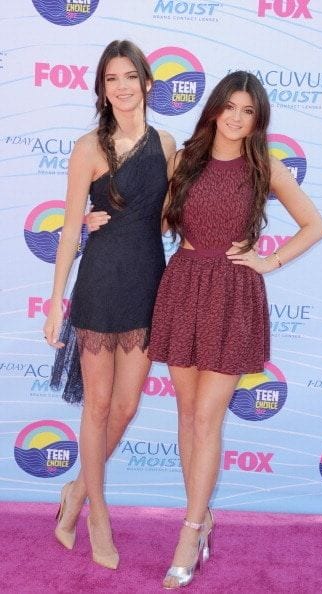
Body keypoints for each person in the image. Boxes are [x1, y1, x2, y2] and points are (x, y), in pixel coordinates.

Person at [146, 71, 322, 589]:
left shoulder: (264, 167)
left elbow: (314, 226)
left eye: (248, 111)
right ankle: (201, 516)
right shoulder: (186, 159)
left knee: (206, 418)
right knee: (185, 414)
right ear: (215, 108)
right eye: (230, 106)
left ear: (257, 119)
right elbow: (159, 222)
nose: (236, 117)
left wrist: (269, 261)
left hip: (234, 294)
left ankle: (189, 529)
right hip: (182, 286)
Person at [43, 39, 175, 570]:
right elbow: (70, 229)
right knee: (96, 407)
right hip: (98, 282)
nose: (120, 87)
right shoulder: (88, 147)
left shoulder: (167, 144)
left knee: (125, 406)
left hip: (147, 281)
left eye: (129, 77)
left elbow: (165, 218)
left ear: (148, 83)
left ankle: (75, 491)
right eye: (110, 79)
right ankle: (98, 514)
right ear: (102, 88)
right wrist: (56, 303)